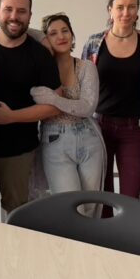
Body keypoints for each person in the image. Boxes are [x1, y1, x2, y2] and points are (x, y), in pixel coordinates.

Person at [0, 0, 61, 218]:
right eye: (8, 9)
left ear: (30, 15)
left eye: (21, 11)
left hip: (17, 150)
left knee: (17, 213)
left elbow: (54, 105)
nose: (14, 16)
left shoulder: (40, 55)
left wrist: (11, 117)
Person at [81, 0, 140, 201]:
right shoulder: (95, 42)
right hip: (99, 126)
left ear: (137, 10)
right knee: (102, 194)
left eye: (132, 7)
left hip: (133, 128)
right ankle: (105, 225)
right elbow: (83, 85)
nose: (126, 12)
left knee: (131, 196)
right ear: (110, 10)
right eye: (120, 7)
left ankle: (128, 227)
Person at [31, 13, 105, 195]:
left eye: (65, 31)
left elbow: (87, 107)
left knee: (91, 204)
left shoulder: (86, 67)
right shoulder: (39, 70)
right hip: (54, 140)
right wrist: (41, 38)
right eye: (53, 33)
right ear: (46, 39)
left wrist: (53, 99)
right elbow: (25, 31)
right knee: (68, 204)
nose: (61, 36)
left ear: (72, 35)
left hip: (89, 137)